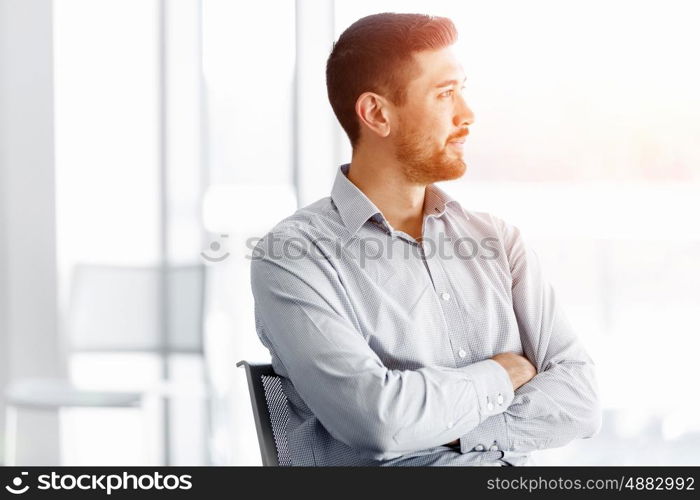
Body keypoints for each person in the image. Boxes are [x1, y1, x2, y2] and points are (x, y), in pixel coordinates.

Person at [249, 12, 601, 466]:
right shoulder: (294, 258)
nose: (467, 115)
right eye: (445, 94)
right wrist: (500, 374)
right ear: (376, 113)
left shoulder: (498, 242)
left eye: (462, 90)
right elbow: (378, 422)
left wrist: (444, 428)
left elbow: (580, 399)